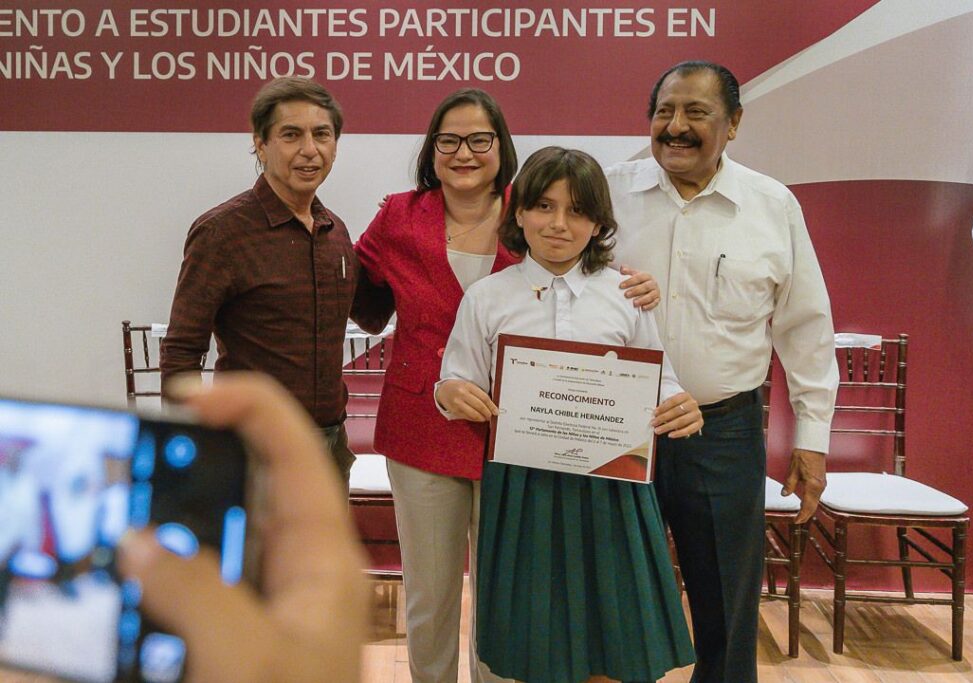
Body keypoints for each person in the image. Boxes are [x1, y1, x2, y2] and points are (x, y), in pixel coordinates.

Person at [351, 90, 661, 682]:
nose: (464, 152)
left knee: (509, 592)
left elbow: (588, 269)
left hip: (524, 433)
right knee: (429, 593)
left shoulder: (538, 203)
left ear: (502, 147)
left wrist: (637, 282)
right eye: (449, 140)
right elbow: (360, 288)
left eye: (480, 140)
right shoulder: (398, 213)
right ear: (431, 148)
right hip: (423, 420)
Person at [605, 60, 840, 683]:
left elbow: (806, 328)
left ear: (733, 124)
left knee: (726, 609)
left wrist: (813, 441)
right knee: (613, 595)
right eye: (664, 112)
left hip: (723, 432)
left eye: (696, 113)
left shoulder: (771, 206)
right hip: (613, 425)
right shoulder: (605, 194)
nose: (676, 127)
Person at [436, 146, 701, 683]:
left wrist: (679, 404)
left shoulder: (625, 295)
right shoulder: (487, 297)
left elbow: (660, 378)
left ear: (599, 222)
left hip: (613, 484)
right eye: (544, 206)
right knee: (536, 633)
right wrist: (452, 394)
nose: (559, 224)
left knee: (614, 630)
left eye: (578, 211)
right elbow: (454, 376)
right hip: (523, 487)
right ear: (519, 213)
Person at [161, 77, 389, 497]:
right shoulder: (222, 232)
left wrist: (405, 239)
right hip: (251, 449)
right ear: (260, 144)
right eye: (291, 135)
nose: (309, 149)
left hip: (331, 446)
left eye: (322, 134)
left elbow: (372, 318)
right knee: (251, 565)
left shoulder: (333, 229)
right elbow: (181, 352)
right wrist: (186, 453)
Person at [118, 373, 368, 683]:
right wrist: (184, 427)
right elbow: (182, 347)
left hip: (323, 431)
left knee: (301, 578)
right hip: (245, 443)